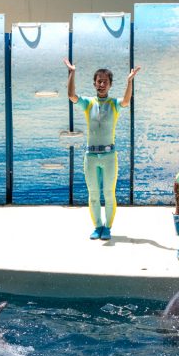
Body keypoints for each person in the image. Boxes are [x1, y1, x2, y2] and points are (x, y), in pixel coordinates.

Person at [64, 58, 141, 241]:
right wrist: (72, 72)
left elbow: (126, 100)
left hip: (109, 155)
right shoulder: (88, 103)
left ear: (110, 84)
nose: (101, 84)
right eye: (99, 81)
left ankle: (108, 227)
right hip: (91, 155)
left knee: (108, 192)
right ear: (94, 83)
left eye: (105, 81)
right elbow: (71, 95)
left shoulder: (114, 104)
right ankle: (97, 226)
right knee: (93, 193)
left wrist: (129, 81)